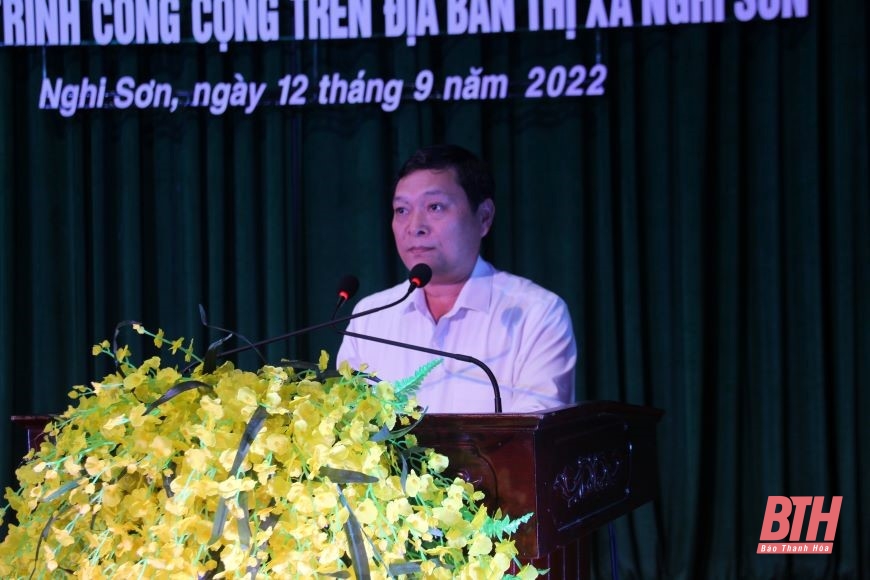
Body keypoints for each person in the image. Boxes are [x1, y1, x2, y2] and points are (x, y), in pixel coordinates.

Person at [336, 144, 576, 413]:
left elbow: (533, 432)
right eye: (402, 210)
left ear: (484, 217)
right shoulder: (370, 318)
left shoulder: (536, 314)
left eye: (435, 207)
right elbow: (349, 422)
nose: (415, 227)